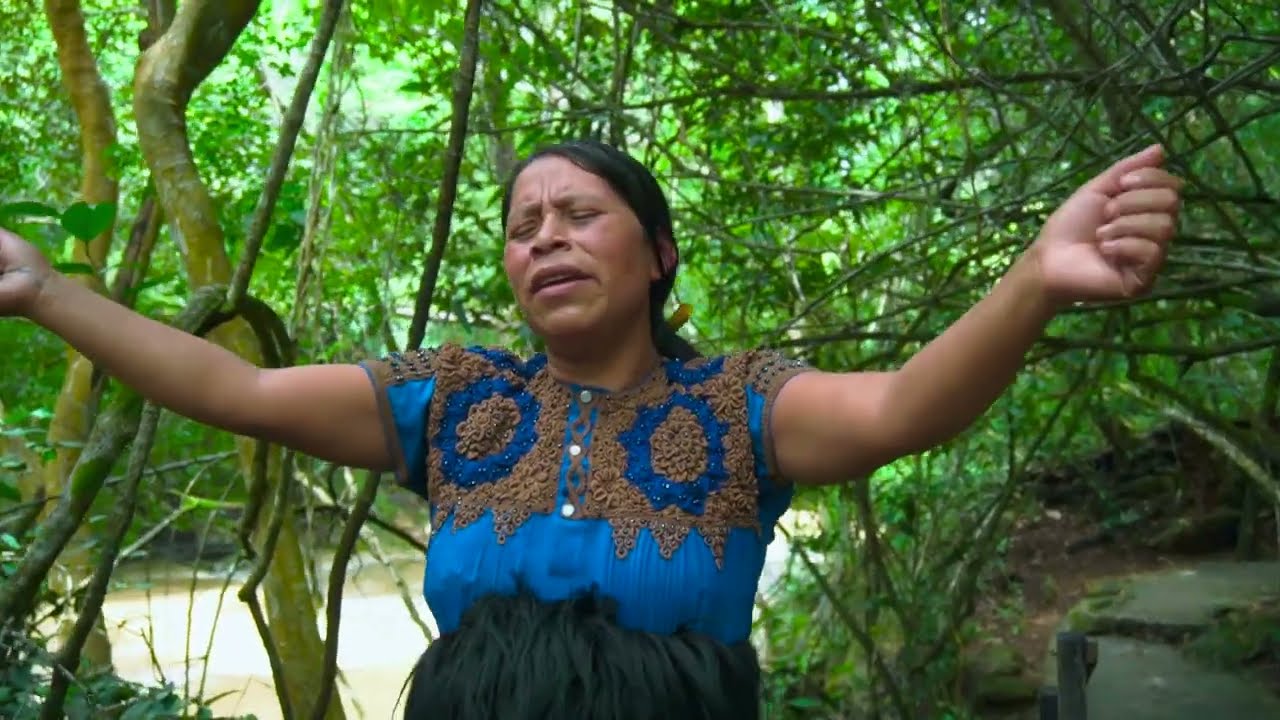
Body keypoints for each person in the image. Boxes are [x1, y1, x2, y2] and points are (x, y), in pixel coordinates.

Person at [0, 139, 1181, 718]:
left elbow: (906, 404)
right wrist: (50, 291)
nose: (544, 238)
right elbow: (238, 393)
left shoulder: (739, 409)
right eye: (522, 226)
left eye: (579, 214)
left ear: (658, 254)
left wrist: (1034, 276)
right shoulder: (453, 399)